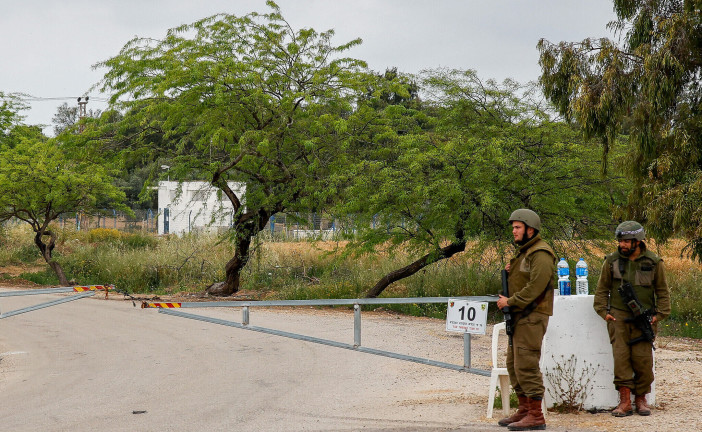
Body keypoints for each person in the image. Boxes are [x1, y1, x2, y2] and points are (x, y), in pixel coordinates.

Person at [593, 221, 670, 417]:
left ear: (637, 241)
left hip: (644, 318)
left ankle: (641, 399)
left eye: (627, 241)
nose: (622, 245)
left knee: (643, 360)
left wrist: (658, 315)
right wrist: (604, 312)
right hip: (618, 317)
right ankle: (625, 401)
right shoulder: (611, 261)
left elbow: (662, 292)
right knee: (621, 359)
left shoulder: (653, 262)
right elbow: (602, 289)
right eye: (620, 241)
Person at [496, 209, 556, 431]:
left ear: (530, 229)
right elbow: (525, 278)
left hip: (532, 315)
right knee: (514, 365)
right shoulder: (525, 252)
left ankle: (536, 415)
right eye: (513, 227)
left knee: (527, 364)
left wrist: (511, 301)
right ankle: (523, 409)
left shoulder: (540, 252)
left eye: (517, 227)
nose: (513, 231)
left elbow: (536, 286)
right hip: (520, 316)